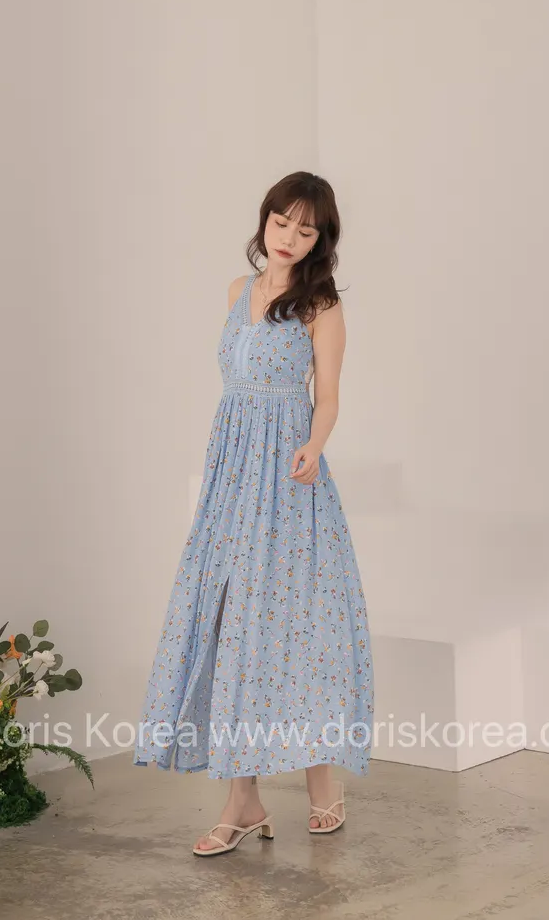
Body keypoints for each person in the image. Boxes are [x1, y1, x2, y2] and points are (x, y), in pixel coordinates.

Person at [133, 171, 374, 855]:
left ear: (321, 239)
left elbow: (328, 396)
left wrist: (313, 446)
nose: (290, 237)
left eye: (306, 229)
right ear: (265, 220)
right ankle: (244, 798)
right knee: (227, 620)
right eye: (281, 222)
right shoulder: (237, 291)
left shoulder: (321, 306)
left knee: (298, 622)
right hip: (231, 475)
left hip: (288, 478)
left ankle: (322, 781)